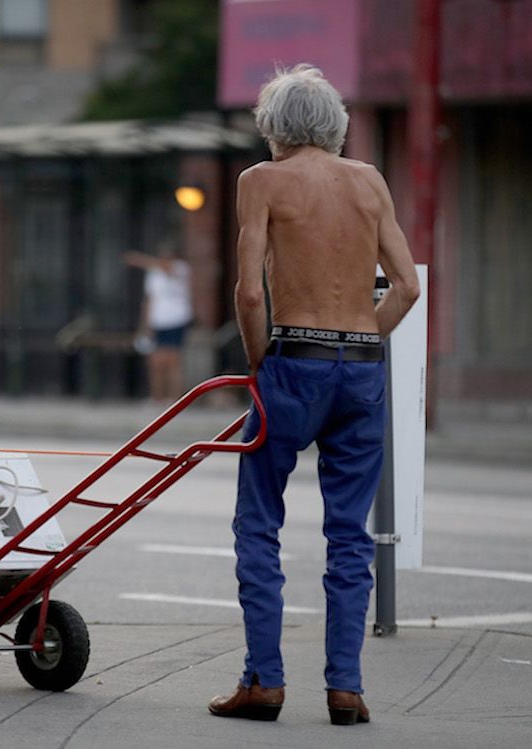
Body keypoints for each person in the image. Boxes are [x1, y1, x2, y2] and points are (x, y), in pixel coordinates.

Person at [207, 64, 420, 726]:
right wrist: (358, 343)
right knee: (348, 532)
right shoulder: (369, 181)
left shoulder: (262, 181)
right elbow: (407, 286)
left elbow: (248, 291)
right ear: (335, 123)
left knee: (258, 521)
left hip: (291, 362)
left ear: (274, 126)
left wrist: (260, 356)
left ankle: (264, 681)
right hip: (359, 366)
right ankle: (346, 688)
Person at [123, 241, 193, 403]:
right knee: (155, 361)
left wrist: (139, 260)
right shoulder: (154, 274)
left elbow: (166, 268)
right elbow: (150, 300)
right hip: (158, 321)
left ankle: (175, 398)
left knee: (172, 360)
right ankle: (158, 397)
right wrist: (144, 326)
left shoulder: (182, 269)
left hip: (176, 319)